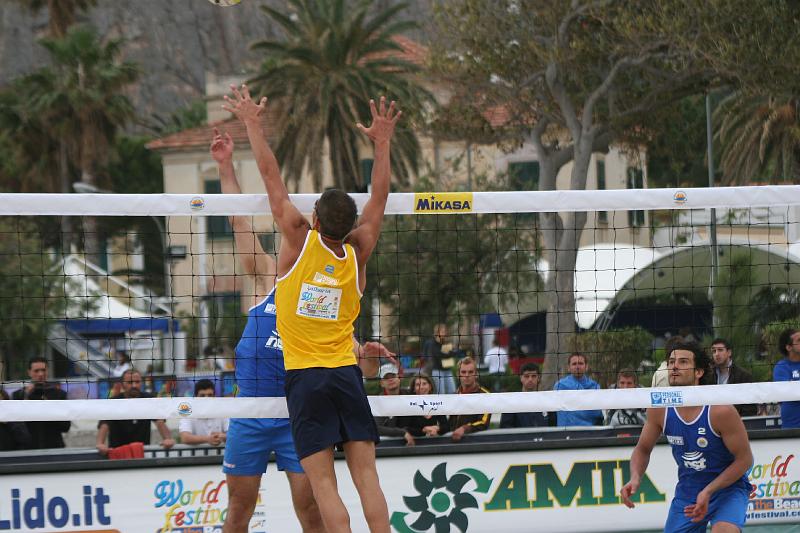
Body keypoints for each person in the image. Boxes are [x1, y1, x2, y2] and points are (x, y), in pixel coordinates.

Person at [213, 94, 399, 533]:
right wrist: (383, 142)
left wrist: (252, 124)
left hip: (306, 380)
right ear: (350, 225)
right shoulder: (359, 252)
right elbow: (380, 195)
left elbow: (271, 177)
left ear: (313, 217)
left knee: (323, 488)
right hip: (343, 374)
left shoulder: (297, 244)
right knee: (367, 479)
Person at [211, 128, 322, 533]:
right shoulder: (266, 283)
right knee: (239, 510)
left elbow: (340, 348)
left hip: (296, 413)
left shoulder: (318, 300)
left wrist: (365, 353)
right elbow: (239, 219)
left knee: (310, 510)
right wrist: (225, 167)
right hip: (251, 412)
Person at [621, 341, 753, 532]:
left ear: (698, 372)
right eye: (671, 361)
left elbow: (745, 460)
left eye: (683, 362)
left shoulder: (720, 411)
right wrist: (635, 478)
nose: (674, 366)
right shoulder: (659, 409)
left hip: (728, 489)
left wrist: (708, 491)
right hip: (689, 491)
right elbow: (642, 449)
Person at [96, 369, 175, 455]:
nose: (134, 385)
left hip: (142, 452)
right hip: (118, 453)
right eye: (130, 382)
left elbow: (160, 421)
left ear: (141, 383)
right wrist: (100, 443)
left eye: (137, 382)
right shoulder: (113, 402)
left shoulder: (148, 399)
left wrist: (167, 439)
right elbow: (104, 424)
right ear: (122, 384)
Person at [12, 356, 70, 449]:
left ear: (48, 371)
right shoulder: (18, 395)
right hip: (27, 450)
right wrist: (26, 397)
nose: (40, 374)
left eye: (43, 370)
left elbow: (66, 427)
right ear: (29, 372)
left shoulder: (59, 395)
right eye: (36, 371)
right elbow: (15, 426)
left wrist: (50, 408)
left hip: (54, 448)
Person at [710, 338, 757, 417]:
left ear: (729, 352)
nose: (716, 354)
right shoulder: (708, 376)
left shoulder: (744, 376)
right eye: (714, 351)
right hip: (713, 421)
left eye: (720, 350)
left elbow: (750, 408)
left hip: (737, 421)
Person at [553, 353, 603, 427]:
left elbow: (596, 413)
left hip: (588, 431)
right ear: (568, 367)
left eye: (580, 363)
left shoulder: (595, 386)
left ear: (586, 366)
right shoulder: (560, 385)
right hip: (565, 432)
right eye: (574, 364)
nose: (577, 367)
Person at [448, 357, 491, 442]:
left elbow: (483, 422)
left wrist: (464, 428)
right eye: (463, 372)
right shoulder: (453, 396)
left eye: (470, 372)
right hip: (453, 443)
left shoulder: (485, 395)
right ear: (458, 374)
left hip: (476, 443)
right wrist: (437, 428)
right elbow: (449, 424)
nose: (467, 375)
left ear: (476, 374)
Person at [373, 363, 415, 446]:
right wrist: (402, 433)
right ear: (382, 383)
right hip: (388, 445)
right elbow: (376, 428)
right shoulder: (378, 402)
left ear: (399, 378)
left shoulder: (410, 395)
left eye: (393, 376)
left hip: (415, 441)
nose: (390, 379)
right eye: (386, 378)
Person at [499, 363, 552, 428]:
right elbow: (505, 428)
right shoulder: (511, 402)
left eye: (534, 376)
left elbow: (553, 426)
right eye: (527, 376)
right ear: (521, 378)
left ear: (539, 378)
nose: (530, 379)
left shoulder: (547, 401)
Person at [178, 379, 229, 446]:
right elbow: (185, 438)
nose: (206, 398)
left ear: (214, 396)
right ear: (196, 397)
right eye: (202, 396)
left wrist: (221, 436)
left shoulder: (222, 410)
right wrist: (208, 439)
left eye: (210, 395)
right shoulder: (188, 412)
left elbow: (232, 435)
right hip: (195, 455)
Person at [774, 328, 800, 429]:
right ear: (789, 347)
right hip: (793, 428)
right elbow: (786, 392)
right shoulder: (781, 367)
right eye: (799, 341)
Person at [422, 323, 458, 394]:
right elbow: (440, 355)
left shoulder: (445, 342)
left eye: (445, 331)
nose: (445, 333)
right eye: (443, 331)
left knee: (453, 391)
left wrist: (448, 353)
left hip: (447, 370)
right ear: (437, 332)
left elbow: (454, 352)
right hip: (438, 371)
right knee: (441, 393)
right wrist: (448, 352)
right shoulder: (432, 343)